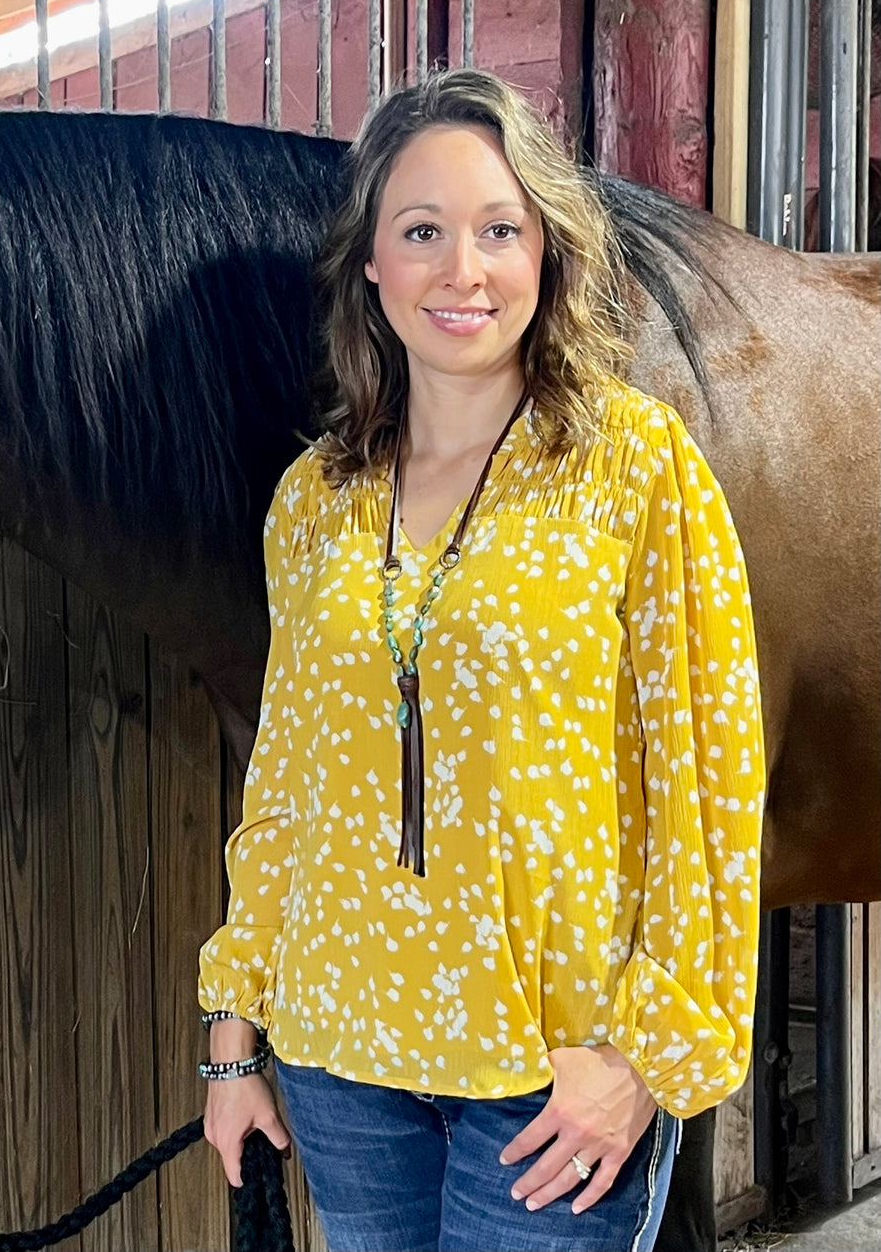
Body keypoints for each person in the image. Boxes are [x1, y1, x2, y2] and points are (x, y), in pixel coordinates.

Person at [197, 69, 765, 1252]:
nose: (463, 270)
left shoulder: (634, 466)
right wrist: (231, 1032)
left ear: (545, 251)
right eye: (421, 232)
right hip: (341, 1062)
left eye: (498, 229)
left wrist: (644, 1054)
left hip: (550, 1072)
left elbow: (708, 780)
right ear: (369, 263)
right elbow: (286, 784)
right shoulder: (315, 499)